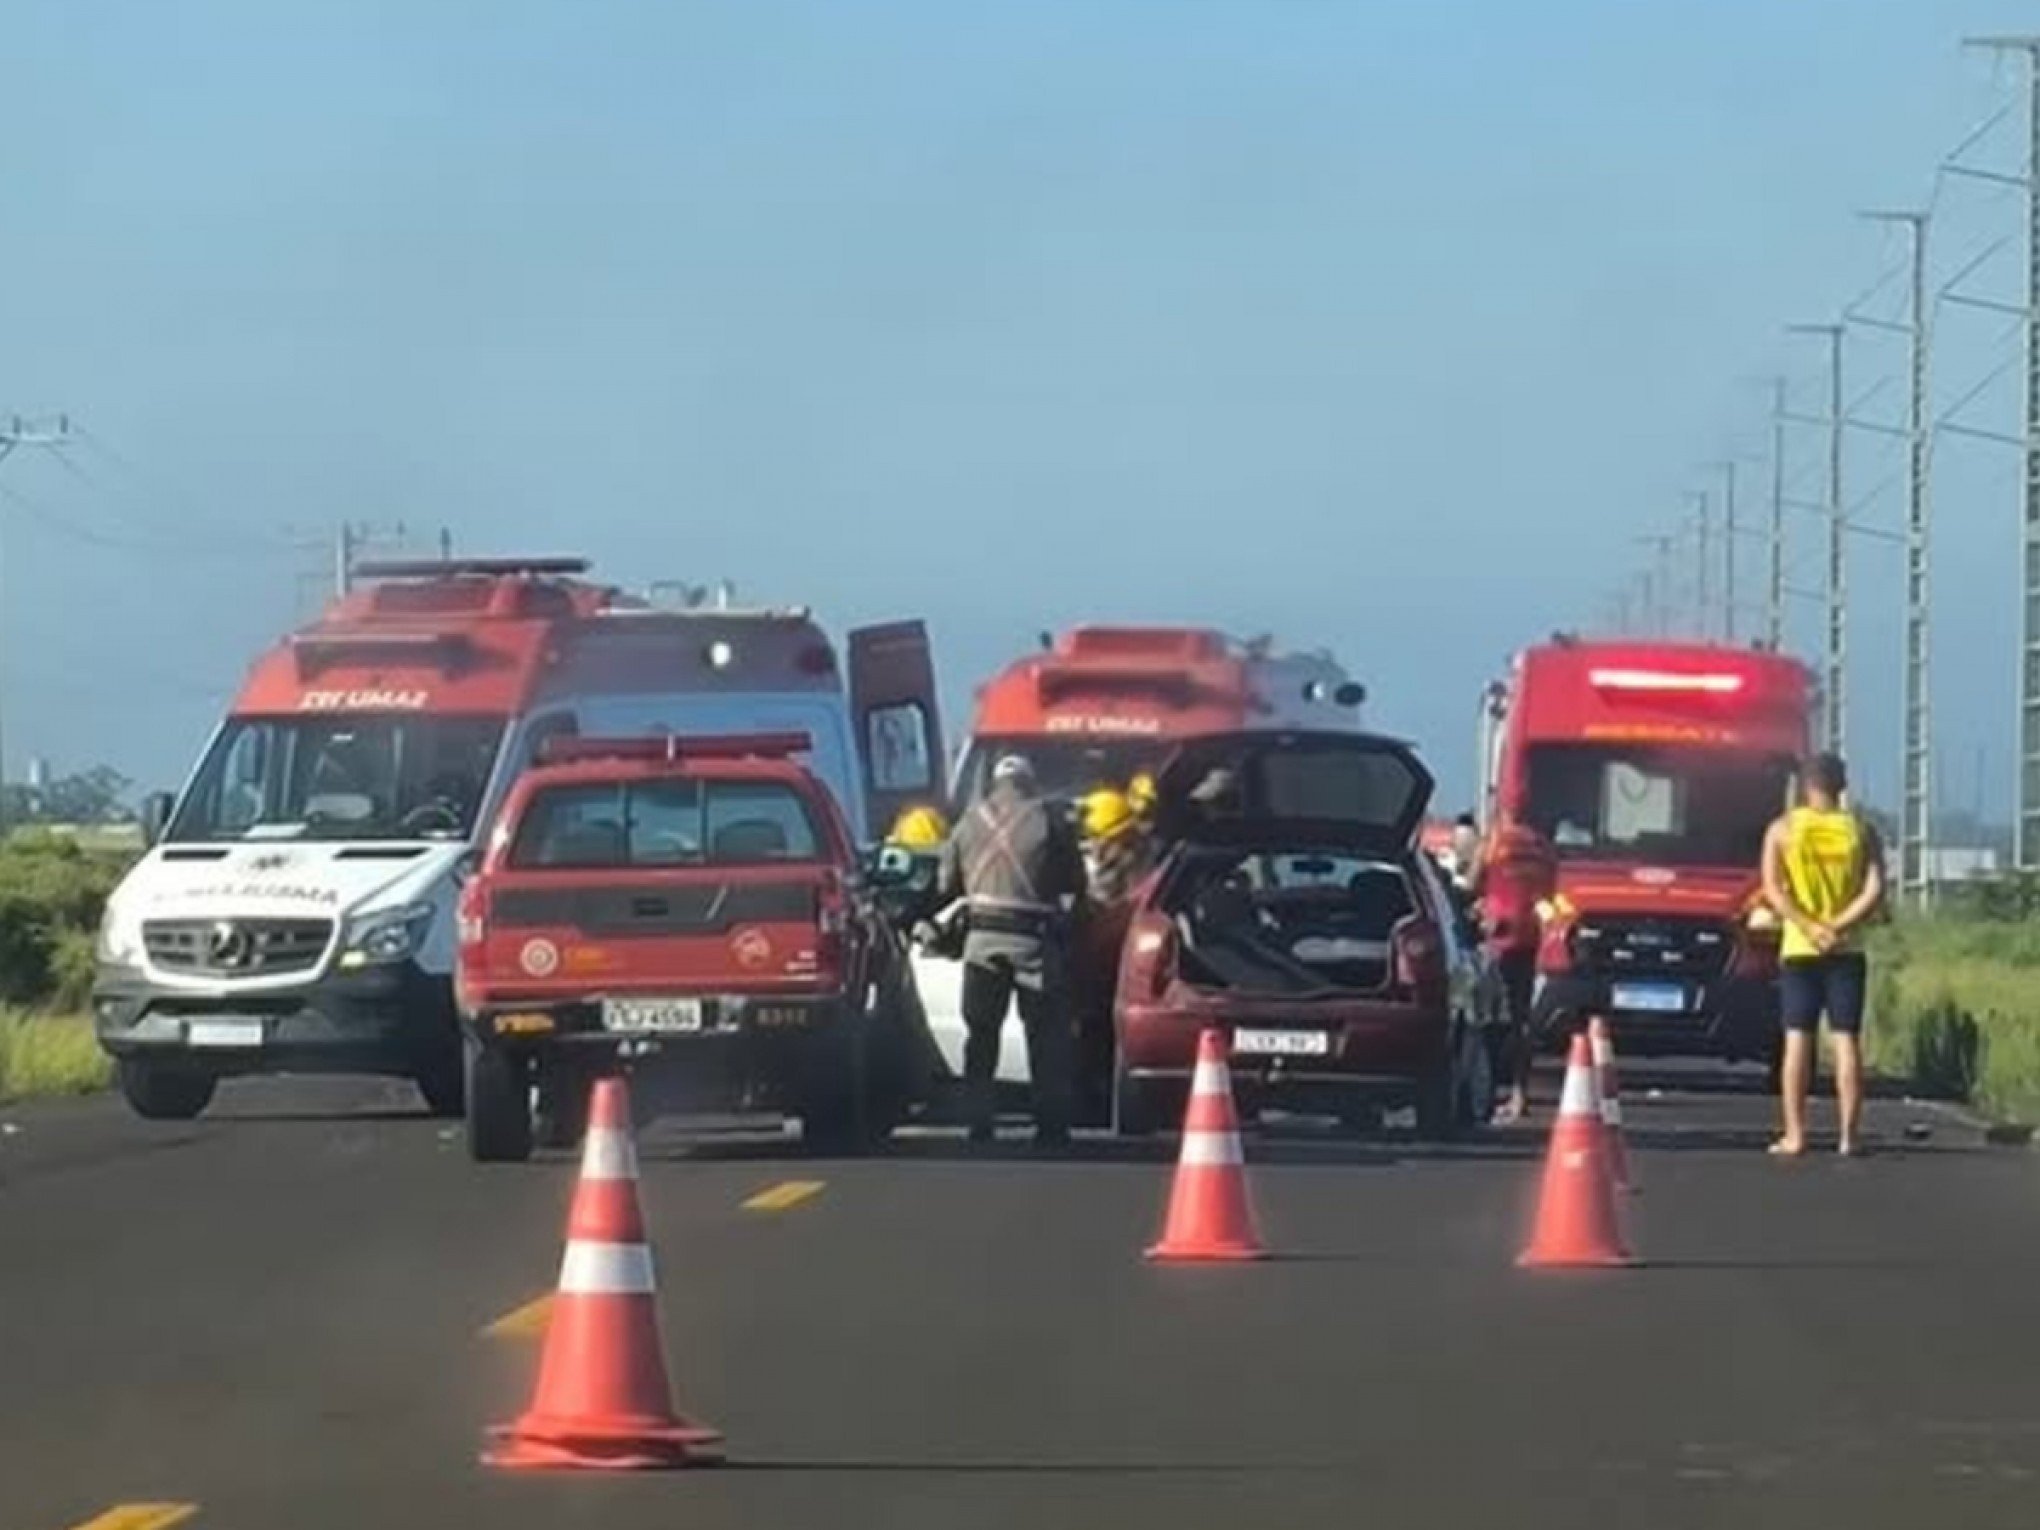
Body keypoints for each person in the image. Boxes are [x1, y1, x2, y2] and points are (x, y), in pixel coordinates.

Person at [936, 754, 1087, 1146]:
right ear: (1029, 783)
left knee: (981, 1035)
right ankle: (1051, 1124)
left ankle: (979, 1121)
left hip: (981, 943)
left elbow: (945, 884)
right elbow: (1075, 883)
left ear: (994, 784)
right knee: (1044, 1036)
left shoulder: (968, 822)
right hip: (1034, 943)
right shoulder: (1051, 821)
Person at [1760, 751, 1884, 1157]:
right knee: (1846, 1040)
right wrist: (1838, 926)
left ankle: (1795, 1135)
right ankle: (1849, 1136)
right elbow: (1874, 890)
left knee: (1797, 1040)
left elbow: (1773, 890)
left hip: (1799, 947)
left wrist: (1810, 926)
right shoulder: (1862, 832)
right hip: (1846, 950)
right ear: (1842, 786)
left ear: (1805, 785)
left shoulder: (1782, 830)